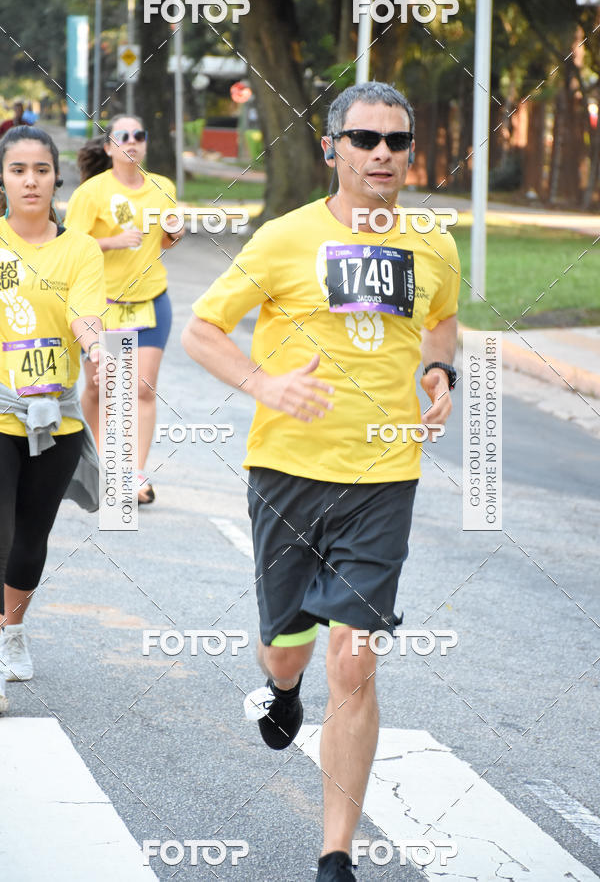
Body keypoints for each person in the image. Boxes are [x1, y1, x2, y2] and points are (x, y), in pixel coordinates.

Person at [182, 81, 460, 880]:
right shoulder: (282, 239)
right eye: (366, 139)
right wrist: (267, 385)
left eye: (397, 142)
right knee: (284, 650)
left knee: (356, 660)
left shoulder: (432, 244)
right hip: (286, 472)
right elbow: (203, 329)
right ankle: (280, 686)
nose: (383, 154)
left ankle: (334, 853)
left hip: (383, 476)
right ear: (331, 147)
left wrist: (439, 369)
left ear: (410, 152)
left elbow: (442, 317)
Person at [0, 125, 105, 706]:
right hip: (0, 410)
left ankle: (11, 632)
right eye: (18, 170)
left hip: (57, 419)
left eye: (41, 169)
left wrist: (96, 347)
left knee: (30, 538)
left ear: (56, 176)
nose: (30, 180)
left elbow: (86, 314)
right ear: (3, 178)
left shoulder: (80, 248)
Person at [65, 115, 184, 504]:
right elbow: (69, 249)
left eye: (139, 135)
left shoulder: (162, 187)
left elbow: (165, 242)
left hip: (150, 301)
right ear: (110, 148)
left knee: (143, 389)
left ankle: (132, 474)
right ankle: (99, 464)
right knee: (100, 389)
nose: (132, 142)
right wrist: (113, 242)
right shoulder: (91, 193)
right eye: (123, 136)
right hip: (101, 304)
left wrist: (174, 234)